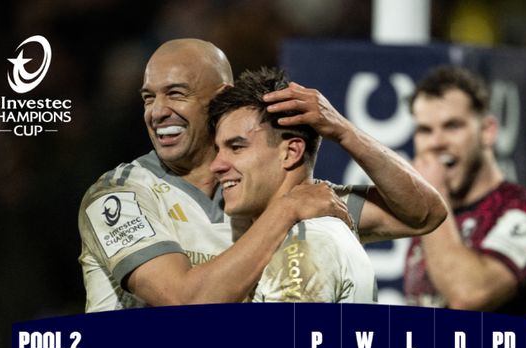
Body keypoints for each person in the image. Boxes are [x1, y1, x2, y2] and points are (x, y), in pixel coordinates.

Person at [78, 39, 447, 311]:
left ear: (219, 96)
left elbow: (424, 213)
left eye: (175, 94)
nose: (157, 111)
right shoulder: (119, 196)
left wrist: (344, 131)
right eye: (148, 98)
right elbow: (184, 303)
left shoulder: (255, 190)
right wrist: (285, 211)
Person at [403, 65, 526, 317]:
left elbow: (469, 296)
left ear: (487, 131)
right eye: (425, 130)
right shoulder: (429, 218)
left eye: (452, 126)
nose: (436, 142)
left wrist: (434, 196)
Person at [209, 67, 376, 302]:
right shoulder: (304, 235)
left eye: (236, 147)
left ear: (290, 152)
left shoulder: (304, 243)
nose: (216, 165)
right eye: (218, 150)